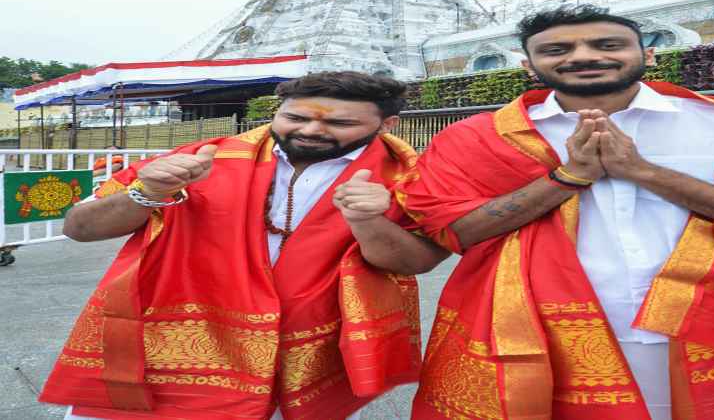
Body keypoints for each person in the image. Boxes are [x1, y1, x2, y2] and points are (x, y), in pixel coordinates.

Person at [397, 5, 714, 420]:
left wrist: (643, 172)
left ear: (648, 54)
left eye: (607, 44)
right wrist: (568, 177)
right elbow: (451, 231)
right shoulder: (473, 139)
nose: (582, 56)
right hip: (537, 336)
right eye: (557, 49)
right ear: (529, 64)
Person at [41, 72, 448, 420]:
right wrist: (148, 192)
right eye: (294, 117)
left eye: (338, 123)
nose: (310, 130)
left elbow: (419, 260)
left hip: (307, 350)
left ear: (388, 123)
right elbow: (80, 228)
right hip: (168, 341)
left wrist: (366, 221)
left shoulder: (413, 179)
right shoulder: (199, 158)